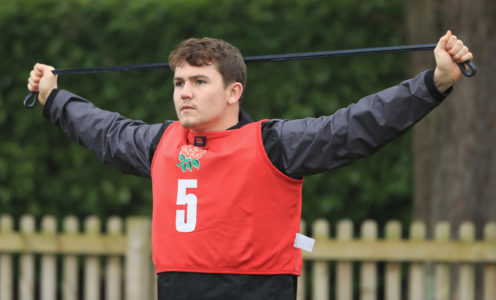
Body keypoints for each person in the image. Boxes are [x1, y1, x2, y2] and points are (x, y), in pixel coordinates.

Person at [27, 30, 473, 299]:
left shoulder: (273, 143)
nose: (184, 92)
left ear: (233, 92)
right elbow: (104, 130)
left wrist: (433, 83)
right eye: (179, 81)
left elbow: (353, 127)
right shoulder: (159, 142)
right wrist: (52, 96)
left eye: (200, 81)